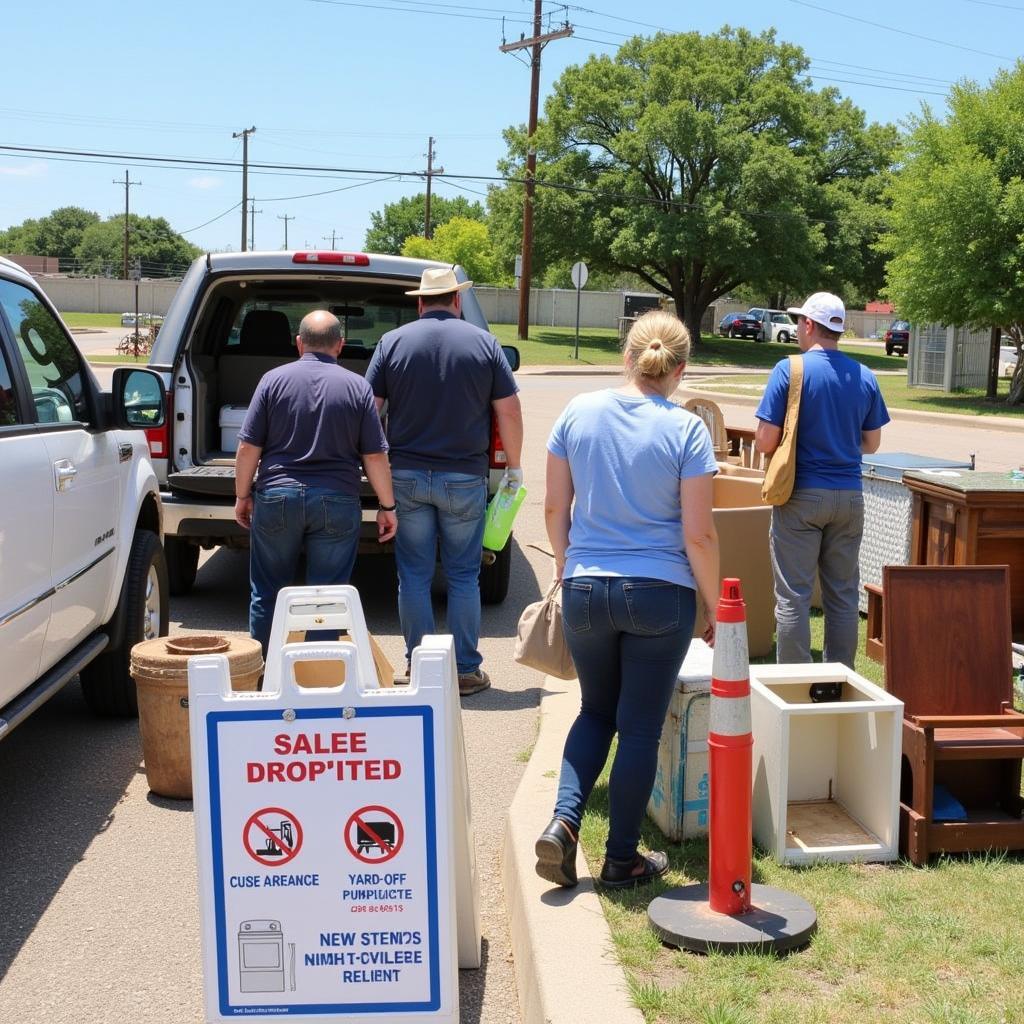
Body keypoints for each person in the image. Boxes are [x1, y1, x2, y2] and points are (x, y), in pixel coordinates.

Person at [536, 310, 720, 890]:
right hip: (661, 595)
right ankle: (621, 859)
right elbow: (699, 534)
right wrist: (714, 604)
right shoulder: (688, 429)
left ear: (627, 356)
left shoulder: (577, 411)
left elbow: (552, 508)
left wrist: (568, 568)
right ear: (680, 368)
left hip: (587, 587)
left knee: (594, 711)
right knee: (639, 728)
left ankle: (565, 821)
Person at [366, 266, 523, 697]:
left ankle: (419, 667)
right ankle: (466, 670)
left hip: (408, 478)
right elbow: (508, 412)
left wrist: (371, 466)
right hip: (464, 479)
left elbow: (370, 410)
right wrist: (514, 466)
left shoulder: (391, 343)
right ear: (456, 301)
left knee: (413, 577)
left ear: (420, 302)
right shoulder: (485, 345)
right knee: (463, 576)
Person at [234, 310, 397, 652]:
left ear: (299, 343)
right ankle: (319, 675)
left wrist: (242, 494)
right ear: (340, 345)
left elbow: (249, 446)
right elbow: (375, 456)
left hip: (277, 496)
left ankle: (263, 673)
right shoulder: (357, 387)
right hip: (336, 501)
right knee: (327, 598)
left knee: (267, 591)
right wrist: (387, 506)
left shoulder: (272, 381)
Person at [754, 292, 890, 667]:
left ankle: (796, 685)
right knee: (843, 596)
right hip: (849, 497)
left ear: (810, 325)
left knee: (794, 596)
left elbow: (765, 439)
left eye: (799, 322)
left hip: (800, 495)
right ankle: (839, 681)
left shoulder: (790, 369)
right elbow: (872, 443)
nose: (797, 328)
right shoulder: (864, 374)